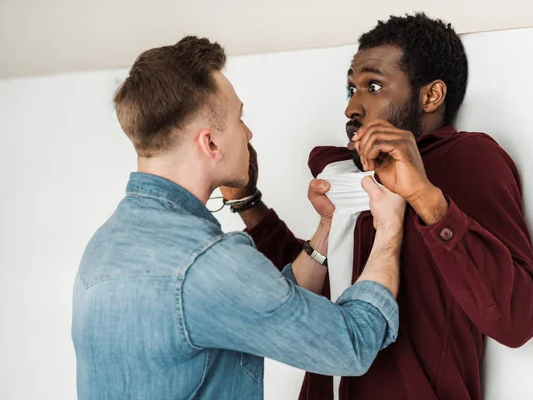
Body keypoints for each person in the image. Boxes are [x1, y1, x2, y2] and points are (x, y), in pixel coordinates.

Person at [223, 12, 533, 400]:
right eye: (351, 89)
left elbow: (517, 320)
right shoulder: (340, 171)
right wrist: (246, 201)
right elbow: (308, 300)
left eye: (373, 86)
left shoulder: (466, 161)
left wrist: (426, 198)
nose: (351, 108)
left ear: (430, 96)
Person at [71, 36, 407, 400]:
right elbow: (352, 344)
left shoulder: (106, 245)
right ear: (210, 143)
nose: (247, 134)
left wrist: (327, 227)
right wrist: (389, 230)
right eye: (238, 119)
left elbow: (268, 303)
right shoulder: (205, 263)